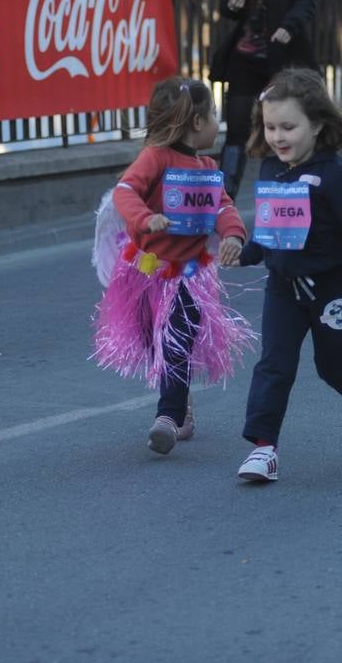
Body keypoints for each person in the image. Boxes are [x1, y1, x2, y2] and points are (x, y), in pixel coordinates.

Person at [231, 68, 342, 482]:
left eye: (288, 127)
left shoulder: (333, 176)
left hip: (331, 289)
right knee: (274, 365)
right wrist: (245, 254)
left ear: (316, 125)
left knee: (333, 365)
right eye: (270, 126)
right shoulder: (268, 169)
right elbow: (270, 228)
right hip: (283, 288)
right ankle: (263, 449)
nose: (278, 136)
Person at [92, 77, 252, 455]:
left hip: (189, 276)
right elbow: (126, 191)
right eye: (214, 114)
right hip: (146, 270)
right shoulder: (155, 158)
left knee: (176, 339)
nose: (217, 122)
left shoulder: (208, 165)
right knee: (156, 343)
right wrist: (145, 218)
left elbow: (223, 206)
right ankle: (182, 407)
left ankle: (167, 417)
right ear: (197, 123)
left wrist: (232, 235)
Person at [210, 0, 319, 200]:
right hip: (245, 55)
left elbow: (308, 1)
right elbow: (226, 8)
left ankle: (285, 199)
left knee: (281, 130)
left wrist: (289, 25)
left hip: (282, 56)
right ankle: (224, 201)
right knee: (237, 131)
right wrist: (232, 3)